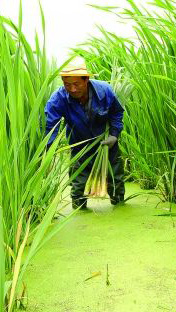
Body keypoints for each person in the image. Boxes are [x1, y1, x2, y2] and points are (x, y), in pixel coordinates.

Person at [44, 59, 125, 209]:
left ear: (86, 79)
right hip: (79, 144)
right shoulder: (58, 99)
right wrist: (48, 152)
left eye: (76, 84)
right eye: (67, 85)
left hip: (107, 143)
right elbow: (51, 127)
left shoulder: (104, 91)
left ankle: (119, 205)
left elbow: (117, 112)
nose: (72, 89)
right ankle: (79, 208)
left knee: (115, 178)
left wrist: (114, 135)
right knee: (78, 182)